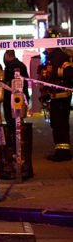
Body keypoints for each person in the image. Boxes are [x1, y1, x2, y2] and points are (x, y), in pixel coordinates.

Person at [41, 30, 72, 161]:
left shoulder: (61, 57)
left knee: (61, 125)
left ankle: (63, 153)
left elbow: (70, 73)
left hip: (61, 97)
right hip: (54, 98)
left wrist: (53, 72)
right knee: (56, 124)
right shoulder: (51, 57)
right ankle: (59, 150)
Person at [3, 49, 30, 132]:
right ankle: (20, 141)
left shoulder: (10, 67)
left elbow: (8, 83)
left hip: (11, 99)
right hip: (22, 96)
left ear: (7, 55)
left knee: (11, 122)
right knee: (19, 121)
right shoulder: (22, 65)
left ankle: (14, 142)